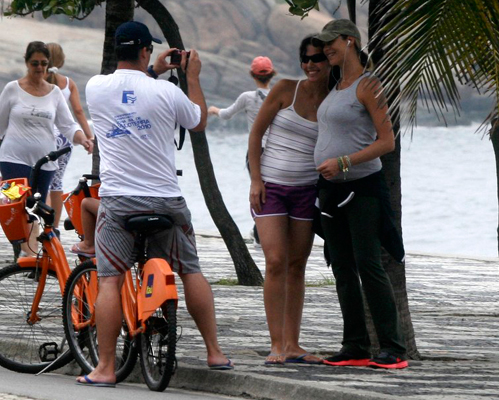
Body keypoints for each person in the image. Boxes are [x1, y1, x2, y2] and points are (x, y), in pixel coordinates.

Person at [77, 21, 232, 387]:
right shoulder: (167, 93)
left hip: (118, 200)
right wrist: (191, 76)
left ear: (118, 51)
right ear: (147, 50)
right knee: (190, 270)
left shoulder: (95, 88)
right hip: (166, 199)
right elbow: (197, 122)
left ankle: (104, 368)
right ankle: (214, 351)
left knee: (110, 279)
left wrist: (152, 69)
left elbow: (130, 88)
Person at [313, 19, 408, 369]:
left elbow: (387, 141)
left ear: (350, 41)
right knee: (341, 266)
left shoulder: (369, 85)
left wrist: (344, 162)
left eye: (330, 42)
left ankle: (393, 347)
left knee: (369, 264)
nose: (325, 49)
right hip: (331, 190)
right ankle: (354, 345)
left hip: (362, 188)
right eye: (322, 44)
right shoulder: (337, 87)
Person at [247, 37, 333, 366]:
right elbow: (256, 134)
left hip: (306, 190)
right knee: (275, 261)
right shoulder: (284, 88)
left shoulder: (333, 100)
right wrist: (256, 179)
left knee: (297, 267)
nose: (311, 65)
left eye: (318, 59)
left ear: (330, 62)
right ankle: (276, 344)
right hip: (270, 187)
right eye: (305, 59)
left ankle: (293, 344)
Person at [0, 41, 94, 255]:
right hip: (13, 158)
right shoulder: (12, 89)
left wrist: (84, 140)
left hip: (44, 163)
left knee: (36, 209)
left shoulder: (54, 93)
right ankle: (30, 254)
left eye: (43, 63)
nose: (39, 68)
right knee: (17, 208)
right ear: (27, 63)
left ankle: (29, 255)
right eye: (35, 63)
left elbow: (68, 126)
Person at [208, 56, 276, 245]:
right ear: (272, 74)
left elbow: (226, 114)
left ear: (253, 75)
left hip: (255, 153)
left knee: (258, 191)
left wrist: (214, 110)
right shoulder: (277, 96)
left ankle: (259, 233)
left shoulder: (247, 97)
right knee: (272, 191)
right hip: (276, 152)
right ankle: (265, 233)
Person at [45, 42, 95, 233]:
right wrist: (88, 137)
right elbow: (79, 111)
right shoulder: (68, 83)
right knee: (57, 183)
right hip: (65, 139)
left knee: (44, 182)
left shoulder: (38, 81)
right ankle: (54, 228)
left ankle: (43, 224)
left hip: (45, 137)